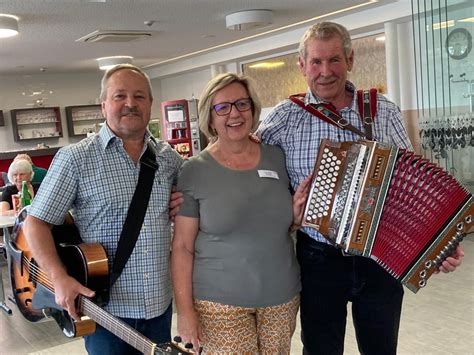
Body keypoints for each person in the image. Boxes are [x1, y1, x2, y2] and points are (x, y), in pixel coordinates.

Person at [257, 22, 464, 355]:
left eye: (334, 60)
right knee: (321, 350)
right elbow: (252, 178)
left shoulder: (383, 111)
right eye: (316, 62)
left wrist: (438, 245)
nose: (325, 71)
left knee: (381, 349)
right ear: (302, 66)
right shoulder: (283, 119)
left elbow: (410, 186)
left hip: (379, 257)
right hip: (319, 259)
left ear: (350, 59)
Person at [24, 64, 183, 355]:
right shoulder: (75, 159)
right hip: (107, 312)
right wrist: (59, 279)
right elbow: (35, 224)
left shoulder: (169, 159)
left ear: (150, 103)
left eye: (139, 96)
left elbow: (187, 206)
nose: (130, 104)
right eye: (119, 96)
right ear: (103, 105)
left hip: (160, 307)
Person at [171, 73, 310, 354]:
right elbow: (183, 247)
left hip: (281, 296)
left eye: (242, 104)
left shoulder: (276, 157)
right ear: (209, 118)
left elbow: (271, 224)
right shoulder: (194, 171)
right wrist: (185, 312)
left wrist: (294, 217)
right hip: (219, 303)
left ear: (253, 110)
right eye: (222, 107)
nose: (234, 113)